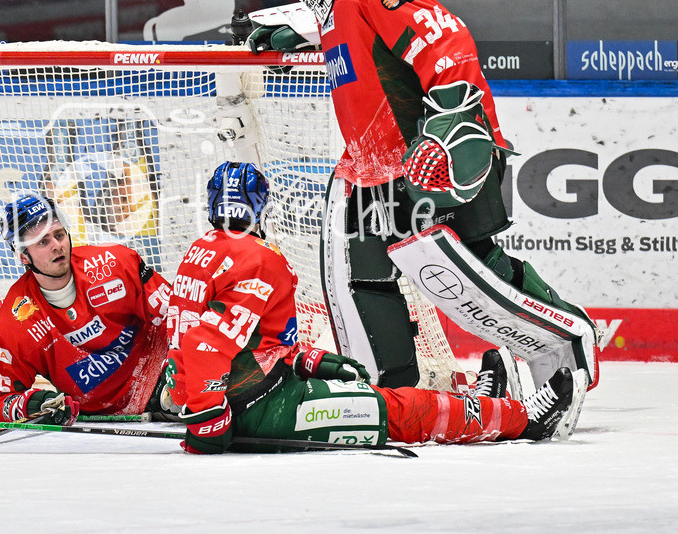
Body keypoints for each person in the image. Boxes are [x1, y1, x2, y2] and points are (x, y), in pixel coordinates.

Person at [246, 0, 600, 395]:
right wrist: (301, 31)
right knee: (361, 277)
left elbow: (447, 40)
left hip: (432, 159)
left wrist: (449, 126)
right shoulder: (337, 3)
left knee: (472, 271)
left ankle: (569, 342)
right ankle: (393, 394)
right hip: (374, 170)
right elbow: (356, 29)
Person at [165, 161, 587, 454]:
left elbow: (231, 344)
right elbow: (207, 343)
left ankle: (484, 407)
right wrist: (208, 421)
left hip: (253, 395)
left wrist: (310, 361)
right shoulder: (259, 258)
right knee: (401, 411)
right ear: (261, 205)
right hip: (265, 409)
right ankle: (523, 420)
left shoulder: (199, 251)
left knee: (383, 398)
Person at [0, 194, 174, 424]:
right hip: (102, 407)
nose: (57, 245)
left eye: (59, 235)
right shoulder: (15, 322)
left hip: (163, 372)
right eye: (43, 242)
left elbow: (178, 316)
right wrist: (37, 404)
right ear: (23, 256)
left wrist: (180, 365)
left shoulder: (114, 263)